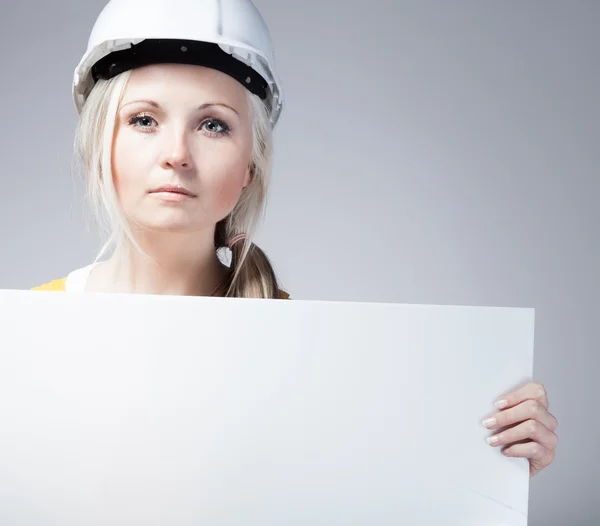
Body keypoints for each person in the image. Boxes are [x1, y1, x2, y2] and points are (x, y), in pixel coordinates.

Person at [31, 0, 557, 477]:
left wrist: (490, 458)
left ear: (250, 168)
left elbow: (377, 492)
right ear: (100, 146)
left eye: (213, 125)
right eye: (144, 119)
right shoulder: (28, 337)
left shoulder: (312, 353)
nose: (177, 153)